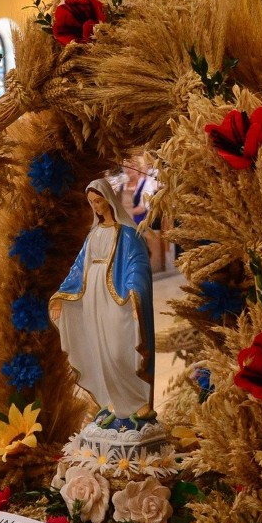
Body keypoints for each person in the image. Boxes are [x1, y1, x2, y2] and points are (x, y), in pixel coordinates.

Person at [49, 177, 155, 426]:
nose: (96, 206)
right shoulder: (94, 234)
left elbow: (137, 266)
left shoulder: (127, 234)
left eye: (98, 200)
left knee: (120, 350)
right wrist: (61, 297)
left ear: (109, 199)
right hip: (94, 298)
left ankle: (137, 401)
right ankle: (113, 400)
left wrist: (133, 295)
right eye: (91, 202)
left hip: (117, 300)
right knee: (100, 350)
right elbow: (78, 267)